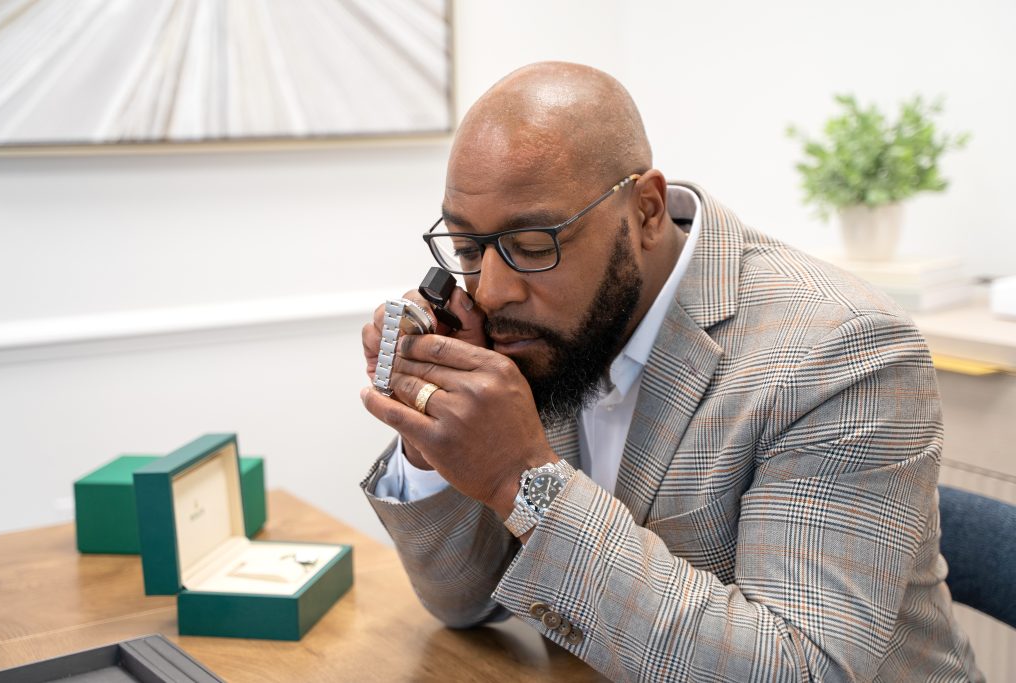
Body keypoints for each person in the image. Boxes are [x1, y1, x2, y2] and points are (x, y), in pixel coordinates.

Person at [358, 62, 981, 681]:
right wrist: (432, 433)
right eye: (468, 248)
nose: (490, 291)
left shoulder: (844, 353)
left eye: (532, 244)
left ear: (648, 211)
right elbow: (464, 604)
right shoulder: (540, 330)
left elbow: (802, 669)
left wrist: (521, 480)